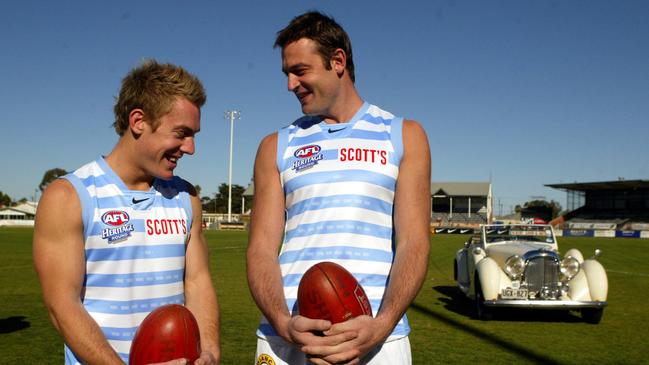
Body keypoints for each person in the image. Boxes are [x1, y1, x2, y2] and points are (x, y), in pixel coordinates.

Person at [247, 11, 431, 365]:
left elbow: (414, 242)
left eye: (300, 71)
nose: (290, 84)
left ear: (338, 61)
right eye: (286, 73)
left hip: (376, 338)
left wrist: (382, 324)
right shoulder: (276, 145)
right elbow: (260, 251)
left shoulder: (404, 136)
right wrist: (284, 323)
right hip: (287, 339)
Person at [33, 60, 220, 365]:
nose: (190, 148)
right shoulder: (69, 196)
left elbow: (198, 283)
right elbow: (62, 305)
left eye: (194, 135)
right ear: (138, 121)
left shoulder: (187, 197)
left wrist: (209, 350)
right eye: (181, 133)